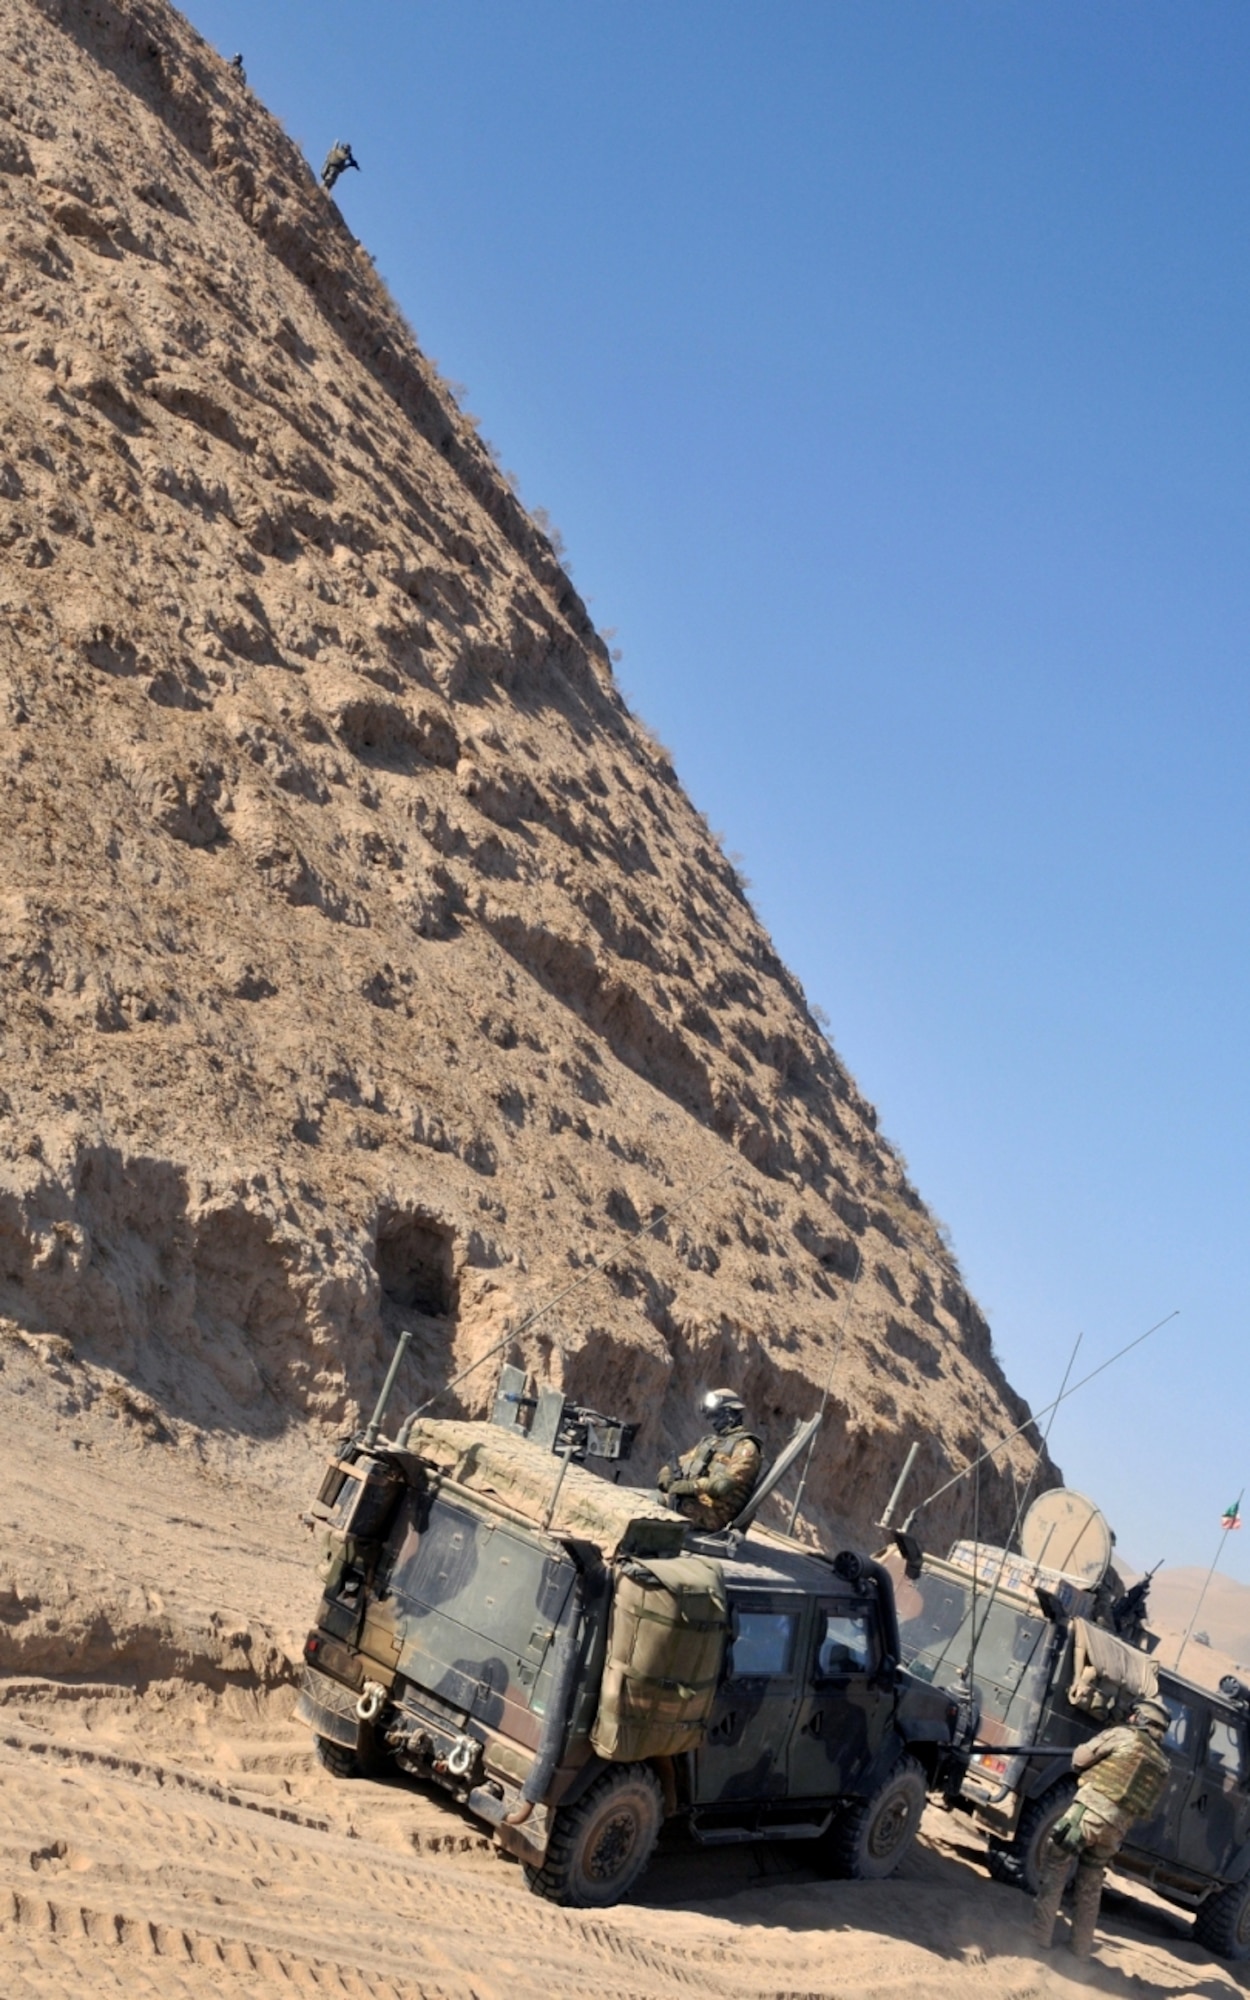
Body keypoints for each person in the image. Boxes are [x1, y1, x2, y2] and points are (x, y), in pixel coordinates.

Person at [1032, 1697, 1172, 1962]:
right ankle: (1079, 1951)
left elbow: (1079, 1759)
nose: (1130, 1718)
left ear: (1141, 1719)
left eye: (1134, 1715)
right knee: (1090, 1886)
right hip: (1116, 1831)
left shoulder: (1123, 1736)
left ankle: (1039, 1939)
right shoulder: (1162, 1763)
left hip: (1087, 1815)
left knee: (1055, 1865)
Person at [656, 1389, 762, 1532]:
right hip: (693, 1502)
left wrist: (692, 1486)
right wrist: (666, 1475)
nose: (713, 1422)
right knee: (654, 1498)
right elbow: (684, 1461)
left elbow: (722, 1485)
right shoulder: (711, 1442)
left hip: (714, 1514)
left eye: (716, 1416)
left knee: (656, 1504)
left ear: (729, 1414)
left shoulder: (746, 1447)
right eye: (710, 1417)